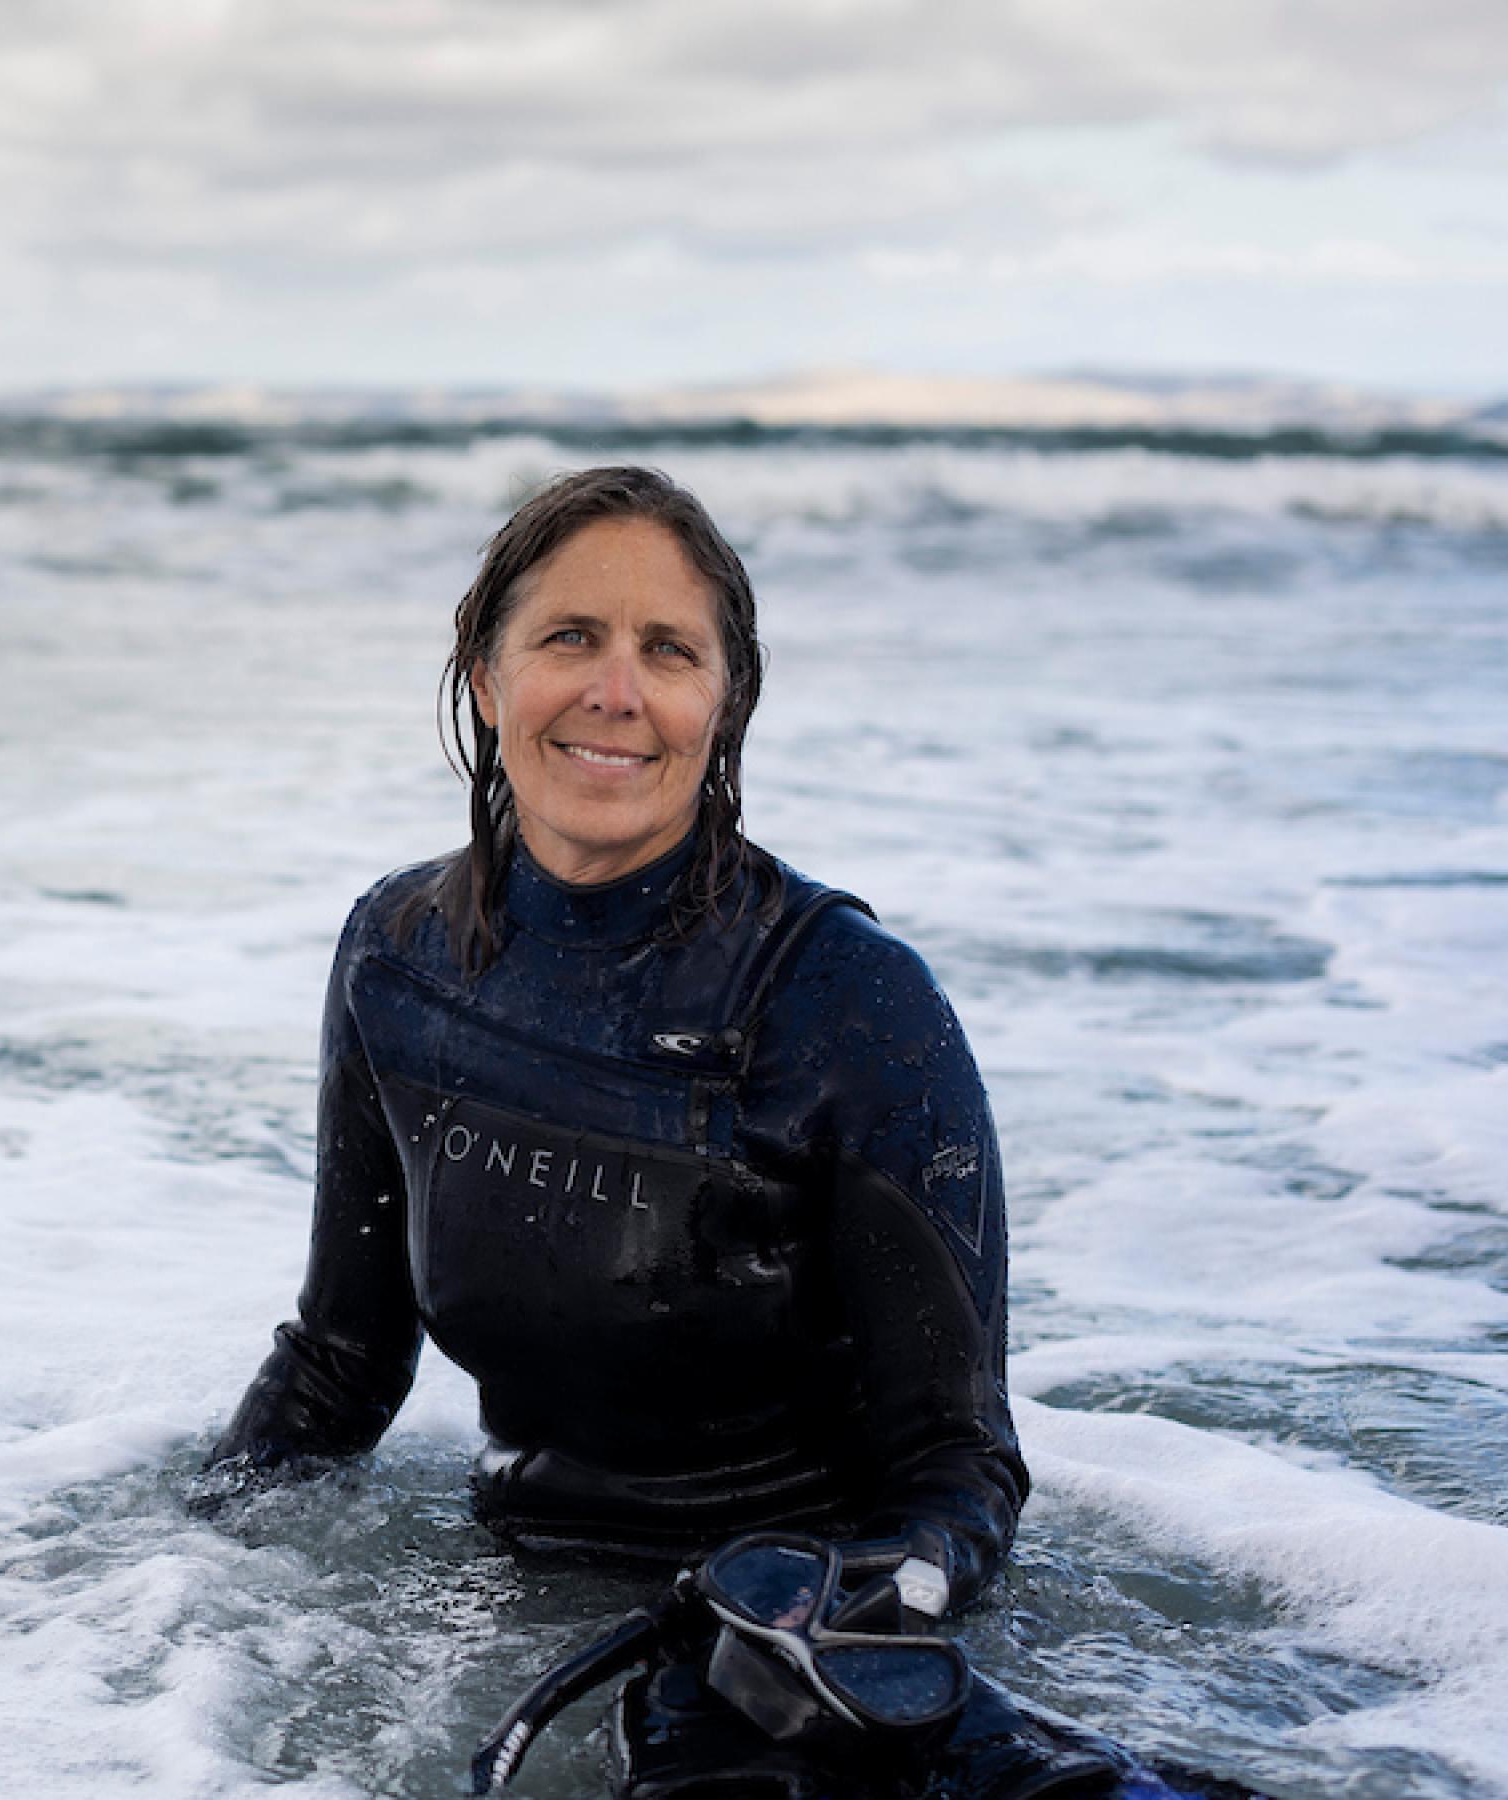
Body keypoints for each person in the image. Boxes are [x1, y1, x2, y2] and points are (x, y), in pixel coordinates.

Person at [206, 465, 1032, 1795]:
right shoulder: (401, 959)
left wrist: (842, 1619)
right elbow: (340, 1368)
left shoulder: (849, 1001)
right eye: (569, 638)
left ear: (726, 701)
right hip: (511, 1604)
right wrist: (160, 1588)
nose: (616, 692)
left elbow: (960, 1471)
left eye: (669, 651)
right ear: (485, 676)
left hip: (799, 1648)